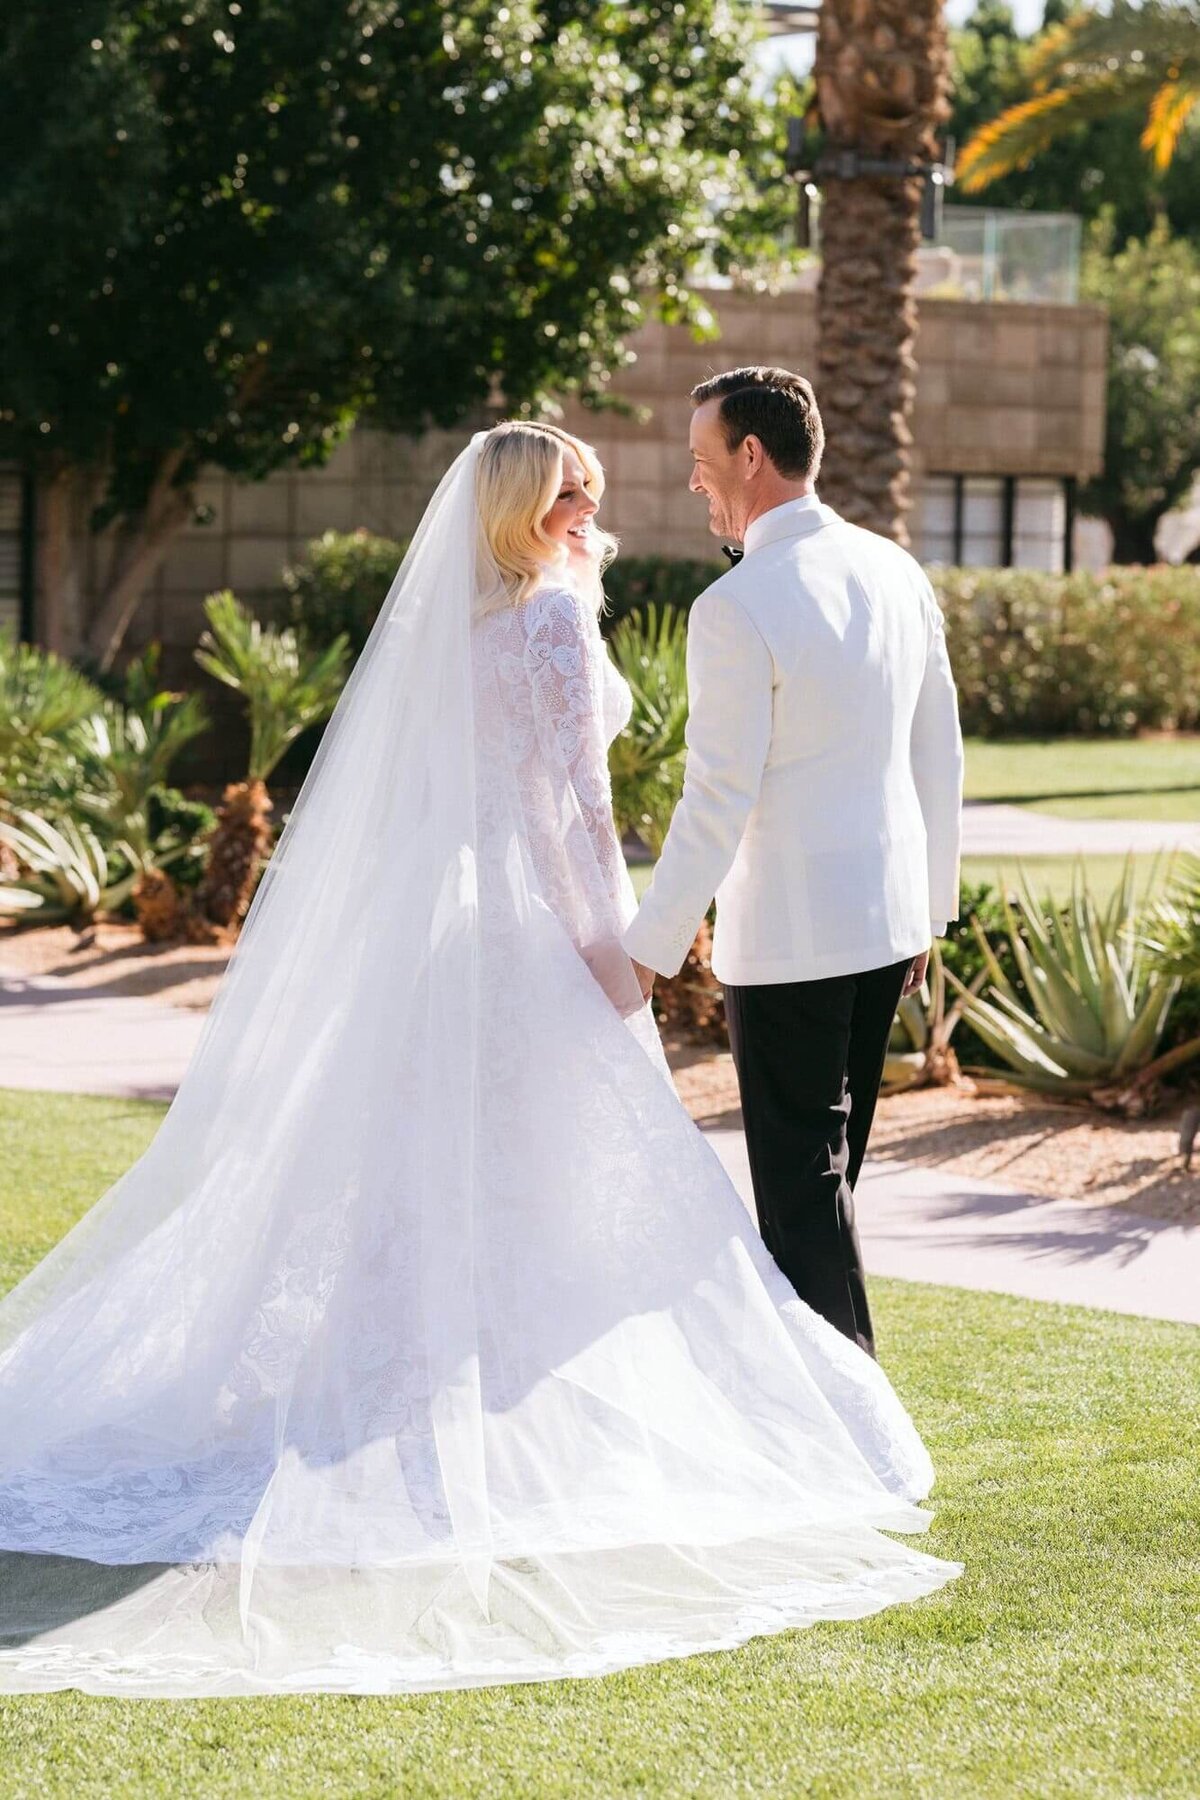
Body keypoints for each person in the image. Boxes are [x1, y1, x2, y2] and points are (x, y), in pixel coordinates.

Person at [0, 423, 957, 1698]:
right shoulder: (552, 624)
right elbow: (577, 805)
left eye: (593, 491)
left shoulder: (464, 627)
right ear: (517, 506)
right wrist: (612, 946)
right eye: (568, 494)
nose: (590, 507)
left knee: (442, 1161)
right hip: (533, 924)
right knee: (543, 1168)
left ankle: (419, 1388)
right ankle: (469, 1399)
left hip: (444, 928)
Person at [624, 367, 965, 1360]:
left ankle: (855, 1426)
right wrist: (928, 918)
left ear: (750, 456)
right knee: (831, 1181)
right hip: (885, 928)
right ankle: (827, 1406)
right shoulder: (898, 569)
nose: (696, 484)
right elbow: (938, 753)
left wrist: (649, 948)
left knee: (800, 1198)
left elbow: (716, 798)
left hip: (792, 944)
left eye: (701, 462)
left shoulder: (735, 607)